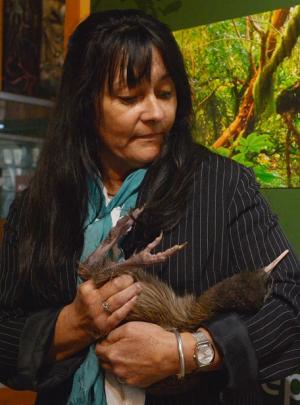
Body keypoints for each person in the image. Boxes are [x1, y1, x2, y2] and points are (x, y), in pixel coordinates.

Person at [0, 8, 299, 405]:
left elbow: (291, 302)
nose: (156, 114)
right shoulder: (39, 205)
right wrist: (71, 326)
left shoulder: (223, 186)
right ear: (85, 104)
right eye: (129, 97)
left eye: (165, 93)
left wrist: (188, 352)